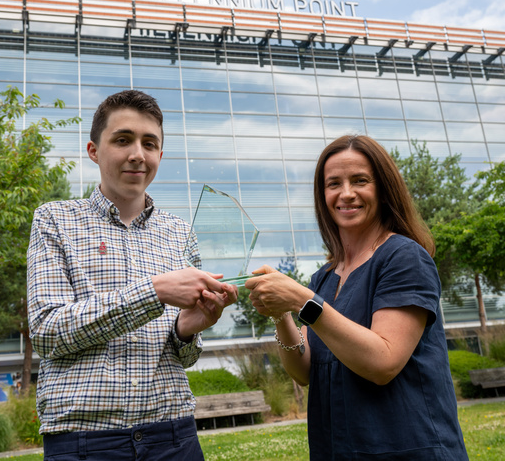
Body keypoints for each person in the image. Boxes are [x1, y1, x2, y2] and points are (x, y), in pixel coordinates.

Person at [27, 90, 238, 460]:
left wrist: (187, 329)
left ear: (160, 155)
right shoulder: (54, 219)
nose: (137, 154)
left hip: (174, 434)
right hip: (84, 440)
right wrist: (154, 292)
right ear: (94, 150)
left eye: (149, 143)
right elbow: (46, 332)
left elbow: (185, 358)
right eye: (123, 140)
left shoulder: (180, 232)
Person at [245, 135, 468, 460]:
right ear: (323, 196)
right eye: (333, 183)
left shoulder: (404, 258)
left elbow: (384, 362)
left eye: (360, 180)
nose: (346, 193)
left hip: (407, 450)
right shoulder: (324, 277)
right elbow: (304, 371)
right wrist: (280, 313)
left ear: (382, 188)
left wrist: (302, 301)